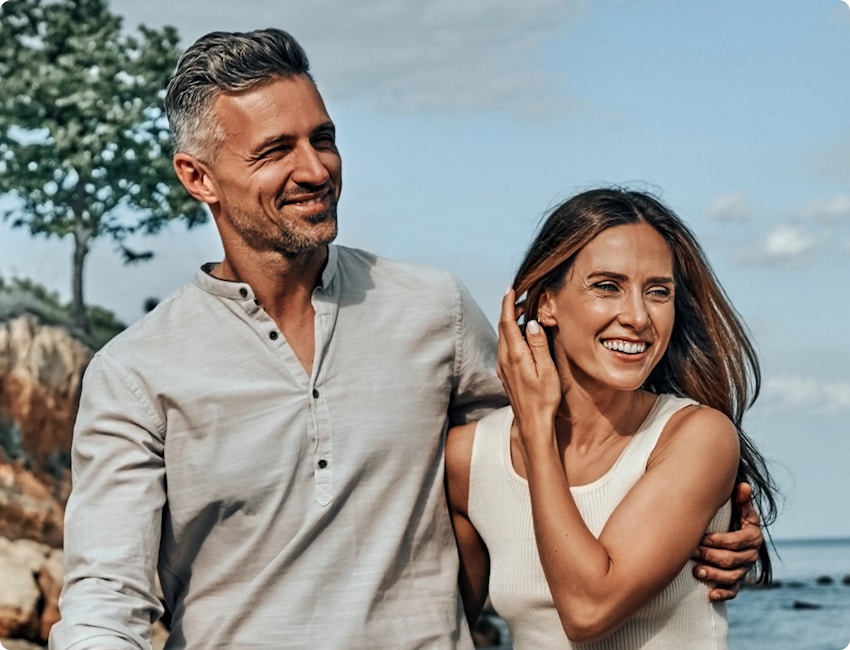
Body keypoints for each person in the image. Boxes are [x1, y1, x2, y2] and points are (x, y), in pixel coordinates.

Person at [50, 29, 763, 650]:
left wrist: (704, 524)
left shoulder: (434, 309)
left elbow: (546, 451)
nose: (315, 169)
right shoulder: (135, 371)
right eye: (276, 150)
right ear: (197, 176)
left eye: (322, 138)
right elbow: (105, 595)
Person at [447, 188, 778, 649]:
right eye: (607, 286)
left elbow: (588, 610)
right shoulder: (468, 458)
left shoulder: (695, 437)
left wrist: (537, 431)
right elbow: (437, 625)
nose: (639, 317)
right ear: (546, 303)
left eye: (657, 292)